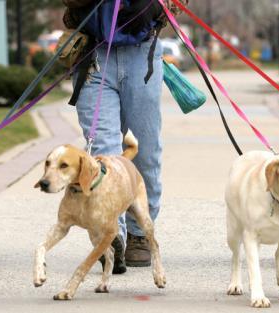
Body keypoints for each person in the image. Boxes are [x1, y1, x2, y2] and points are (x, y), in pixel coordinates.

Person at [62, 0, 187, 274]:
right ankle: (110, 237)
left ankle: (139, 233)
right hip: (94, 54)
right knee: (104, 153)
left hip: (143, 55)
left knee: (145, 152)